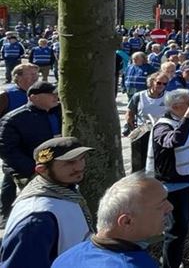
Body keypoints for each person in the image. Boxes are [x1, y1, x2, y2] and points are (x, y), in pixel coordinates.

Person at [1, 137, 94, 267]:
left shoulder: (65, 189)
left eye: (81, 159)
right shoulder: (37, 218)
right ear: (42, 170)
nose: (79, 167)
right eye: (69, 163)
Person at [52, 172, 173, 268]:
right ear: (127, 221)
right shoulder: (131, 264)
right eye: (160, 205)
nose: (170, 207)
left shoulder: (68, 256)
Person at [146, 89, 189, 268]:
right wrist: (188, 115)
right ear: (177, 106)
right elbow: (175, 141)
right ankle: (170, 264)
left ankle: (176, 259)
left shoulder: (182, 120)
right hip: (175, 185)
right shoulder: (163, 126)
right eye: (188, 102)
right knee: (176, 230)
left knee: (184, 224)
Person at [0, 80, 62, 226]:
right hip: (29, 171)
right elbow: (7, 150)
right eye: (51, 94)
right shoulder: (13, 119)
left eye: (56, 93)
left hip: (57, 167)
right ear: (34, 97)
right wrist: (32, 169)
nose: (55, 97)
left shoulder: (60, 112)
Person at [125, 72, 168, 172]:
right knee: (139, 163)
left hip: (161, 132)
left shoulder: (169, 96)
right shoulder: (139, 96)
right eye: (159, 83)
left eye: (165, 84)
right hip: (142, 132)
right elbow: (129, 113)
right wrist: (133, 128)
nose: (162, 86)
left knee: (159, 161)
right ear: (151, 82)